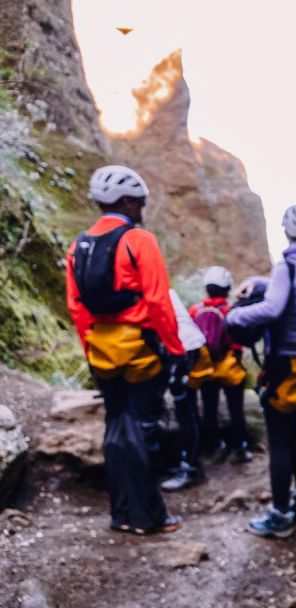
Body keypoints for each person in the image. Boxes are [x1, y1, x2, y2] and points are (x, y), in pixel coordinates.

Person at [65, 164, 184, 535]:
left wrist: (89, 347)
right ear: (128, 201)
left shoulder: (78, 246)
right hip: (139, 351)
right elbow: (157, 301)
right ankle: (150, 516)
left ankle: (120, 513)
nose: (143, 209)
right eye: (141, 203)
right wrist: (176, 348)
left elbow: (76, 307)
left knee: (115, 428)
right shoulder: (139, 240)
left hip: (101, 350)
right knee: (144, 429)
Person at [227, 204, 296, 539]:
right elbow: (293, 292)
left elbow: (273, 307)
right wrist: (261, 281)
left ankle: (280, 514)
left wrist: (233, 319)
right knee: (292, 429)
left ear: (287, 231)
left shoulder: (287, 264)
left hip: (283, 363)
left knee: (278, 439)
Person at [190, 267, 252, 464]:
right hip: (230, 368)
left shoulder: (195, 310)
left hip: (206, 367)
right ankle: (239, 448)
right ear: (227, 289)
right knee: (236, 409)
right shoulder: (230, 311)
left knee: (209, 408)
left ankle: (214, 446)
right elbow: (237, 341)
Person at [159, 289, 212, 492]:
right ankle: (187, 462)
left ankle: (191, 468)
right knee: (186, 408)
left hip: (183, 347)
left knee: (184, 410)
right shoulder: (164, 288)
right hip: (187, 346)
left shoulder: (152, 290)